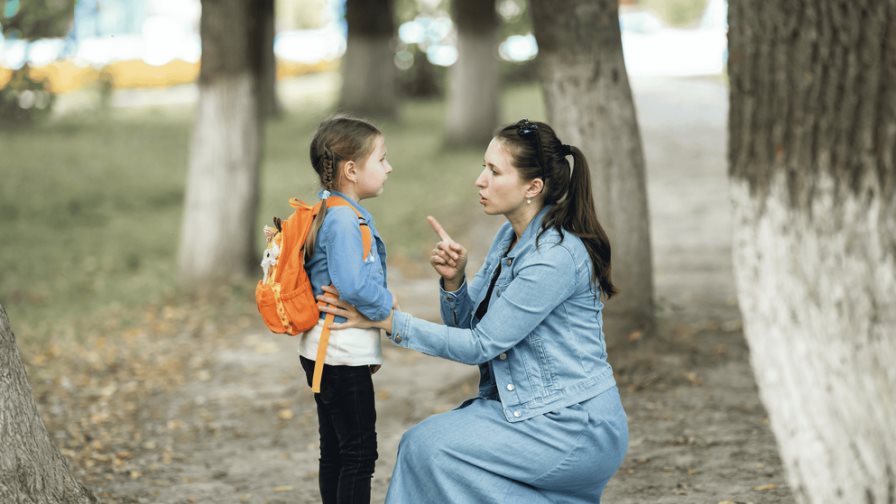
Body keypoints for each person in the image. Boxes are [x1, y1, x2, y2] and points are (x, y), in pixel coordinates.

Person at [317, 119, 629, 503]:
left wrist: (389, 321)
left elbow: (480, 344)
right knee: (430, 452)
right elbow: (468, 324)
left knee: (426, 448)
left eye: (494, 171)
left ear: (533, 187)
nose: (480, 180)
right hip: (528, 411)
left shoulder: (555, 257)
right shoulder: (509, 236)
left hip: (570, 425)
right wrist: (455, 282)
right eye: (484, 166)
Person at [298, 115, 394, 504]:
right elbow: (353, 283)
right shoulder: (341, 218)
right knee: (358, 455)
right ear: (351, 170)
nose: (389, 167)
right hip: (339, 352)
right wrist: (389, 305)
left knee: (337, 451)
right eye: (382, 159)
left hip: (324, 349)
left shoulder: (329, 207)